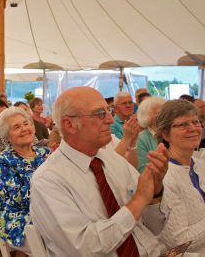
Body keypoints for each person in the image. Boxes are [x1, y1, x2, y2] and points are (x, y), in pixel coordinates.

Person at [30, 87, 169, 257]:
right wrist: (138, 202)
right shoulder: (48, 180)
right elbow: (85, 248)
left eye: (109, 111)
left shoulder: (113, 160)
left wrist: (155, 192)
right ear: (69, 124)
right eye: (100, 113)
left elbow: (154, 227)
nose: (111, 120)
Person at [0, 107, 50, 256]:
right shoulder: (4, 160)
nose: (24, 129)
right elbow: (15, 200)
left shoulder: (44, 153)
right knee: (56, 238)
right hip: (16, 217)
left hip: (48, 210)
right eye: (17, 127)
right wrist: (45, 174)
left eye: (26, 124)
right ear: (7, 136)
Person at [155, 99, 205, 254]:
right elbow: (179, 241)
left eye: (196, 122)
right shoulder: (166, 177)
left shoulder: (198, 164)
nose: (193, 128)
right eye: (183, 124)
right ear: (165, 134)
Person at [137, 96, 167, 173]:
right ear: (147, 116)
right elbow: (142, 170)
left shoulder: (171, 134)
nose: (167, 115)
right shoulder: (141, 139)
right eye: (160, 111)